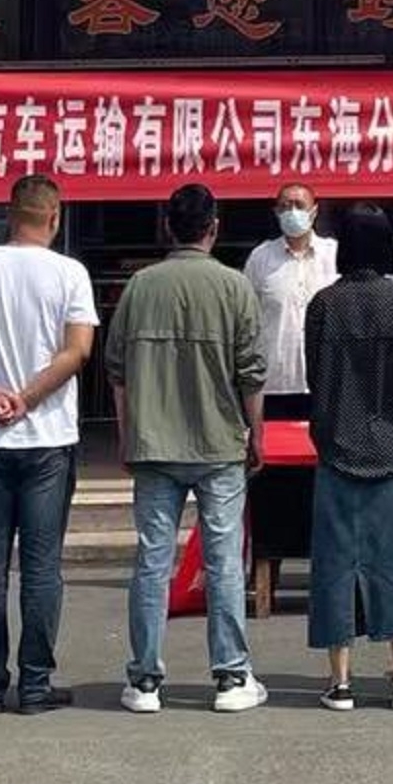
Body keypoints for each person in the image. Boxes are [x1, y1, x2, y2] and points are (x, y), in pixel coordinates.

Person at [105, 181, 269, 716]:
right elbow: (251, 374)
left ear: (167, 227)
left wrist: (127, 435)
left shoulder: (140, 287)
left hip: (154, 442)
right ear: (214, 227)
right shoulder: (234, 287)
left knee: (153, 560)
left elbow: (117, 371)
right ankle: (231, 676)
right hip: (219, 443)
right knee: (224, 562)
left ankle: (145, 680)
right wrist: (256, 434)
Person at [0, 174, 98, 715]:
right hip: (47, 437)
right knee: (41, 564)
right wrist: (27, 398)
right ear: (54, 217)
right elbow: (77, 351)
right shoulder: (69, 273)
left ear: (10, 214)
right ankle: (34, 682)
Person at [300, 203, 393, 712]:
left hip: (338, 445)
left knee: (336, 564)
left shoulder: (324, 305)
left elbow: (315, 376)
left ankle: (340, 680)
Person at [245, 181, 338, 420]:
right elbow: (247, 320)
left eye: (299, 205)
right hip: (276, 384)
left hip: (327, 382)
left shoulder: (334, 254)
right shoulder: (260, 257)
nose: (292, 212)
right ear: (276, 212)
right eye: (285, 207)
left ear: (314, 211)